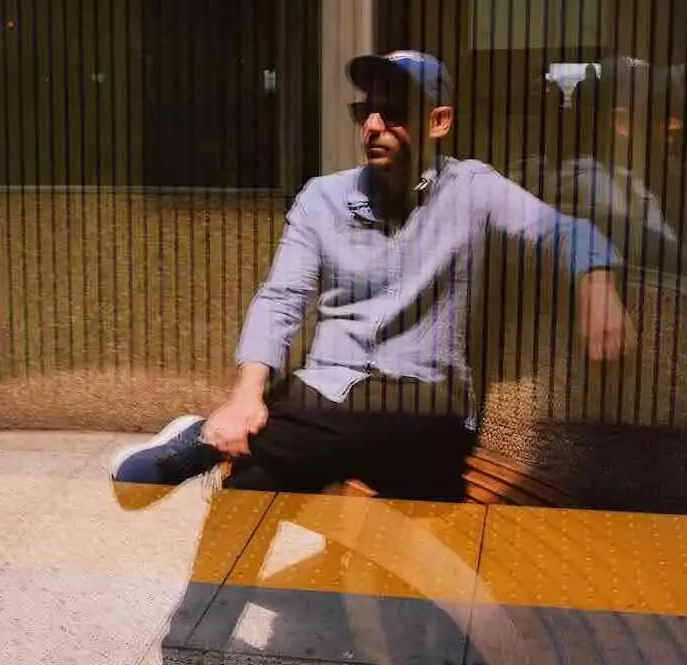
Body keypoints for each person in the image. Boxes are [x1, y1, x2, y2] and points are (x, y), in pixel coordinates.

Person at [111, 51, 635, 504]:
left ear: (439, 121)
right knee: (255, 474)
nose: (373, 125)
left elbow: (562, 230)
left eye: (394, 112)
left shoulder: (472, 188)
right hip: (327, 391)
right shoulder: (323, 197)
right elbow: (283, 297)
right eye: (366, 110)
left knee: (290, 434)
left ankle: (202, 438)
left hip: (421, 401)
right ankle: (211, 601)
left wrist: (596, 282)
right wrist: (247, 394)